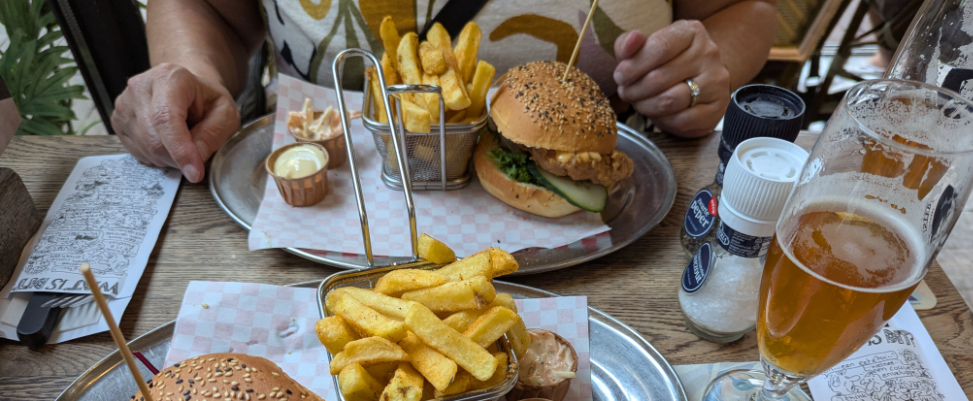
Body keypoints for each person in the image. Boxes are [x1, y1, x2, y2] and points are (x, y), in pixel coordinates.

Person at [113, 0, 778, 183]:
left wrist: (698, 69)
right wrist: (191, 75)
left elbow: (747, 11)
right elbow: (205, 9)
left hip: (606, 223)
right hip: (325, 204)